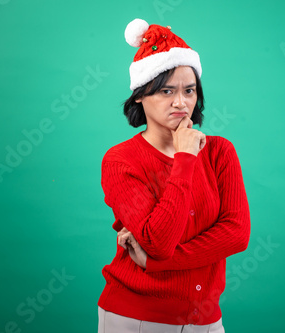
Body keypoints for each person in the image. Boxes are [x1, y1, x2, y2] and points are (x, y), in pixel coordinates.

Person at [97, 18, 251, 333]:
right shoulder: (121, 160)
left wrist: (154, 265)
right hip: (137, 319)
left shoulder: (220, 152)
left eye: (189, 90)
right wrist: (184, 157)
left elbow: (236, 234)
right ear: (140, 94)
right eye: (166, 90)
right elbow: (158, 242)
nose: (181, 103)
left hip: (206, 319)